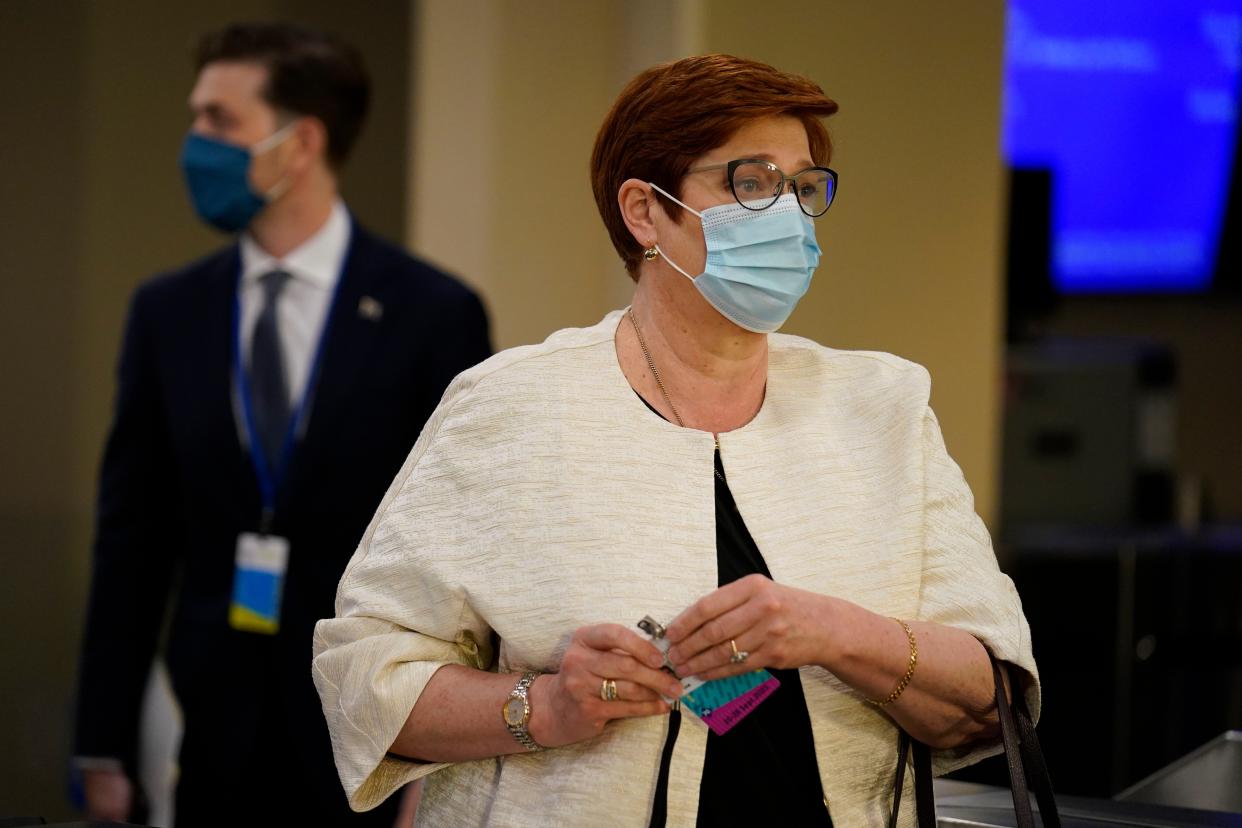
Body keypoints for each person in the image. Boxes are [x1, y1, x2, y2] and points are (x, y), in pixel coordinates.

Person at [312, 54, 1038, 826]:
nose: (787, 214)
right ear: (643, 212)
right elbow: (364, 676)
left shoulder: (883, 406)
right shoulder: (511, 408)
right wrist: (545, 704)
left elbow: (993, 701)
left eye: (801, 188)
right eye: (750, 183)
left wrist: (835, 631)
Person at [72, 22, 491, 827]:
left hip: (367, 736)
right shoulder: (169, 313)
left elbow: (462, 545)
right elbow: (132, 538)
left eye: (219, 121)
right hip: (213, 724)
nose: (195, 142)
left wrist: (436, 761)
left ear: (300, 143)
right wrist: (102, 744)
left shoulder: (431, 313)